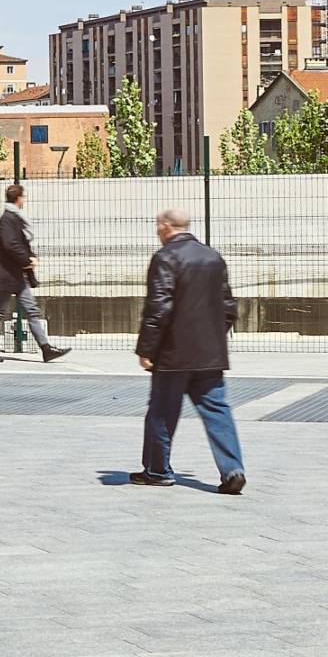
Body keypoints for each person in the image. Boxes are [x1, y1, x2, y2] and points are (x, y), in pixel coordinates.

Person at [131, 207, 245, 493]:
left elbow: (159, 307)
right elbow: (229, 307)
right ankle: (232, 469)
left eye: (158, 226)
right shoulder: (212, 256)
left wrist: (146, 349)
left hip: (173, 354)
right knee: (217, 411)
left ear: (166, 227)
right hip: (210, 354)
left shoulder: (166, 257)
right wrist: (213, 338)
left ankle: (158, 471)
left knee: (160, 412)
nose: (157, 231)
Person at [0, 183, 71, 364]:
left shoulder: (14, 218)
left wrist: (27, 260)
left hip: (17, 276)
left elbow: (18, 244)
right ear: (18, 198)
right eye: (23, 197)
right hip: (9, 276)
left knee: (32, 311)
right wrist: (27, 260)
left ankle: (46, 349)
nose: (24, 200)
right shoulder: (8, 219)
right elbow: (11, 245)